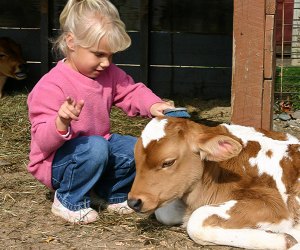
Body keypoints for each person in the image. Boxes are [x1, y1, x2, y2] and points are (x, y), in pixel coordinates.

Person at [27, 0, 174, 224]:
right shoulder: (51, 86)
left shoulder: (108, 74)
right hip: (57, 162)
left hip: (97, 151)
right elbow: (42, 140)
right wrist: (61, 122)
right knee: (96, 147)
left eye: (111, 56)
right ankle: (68, 199)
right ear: (71, 42)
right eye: (98, 55)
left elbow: (131, 92)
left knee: (138, 148)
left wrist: (154, 105)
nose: (106, 63)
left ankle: (110, 193)